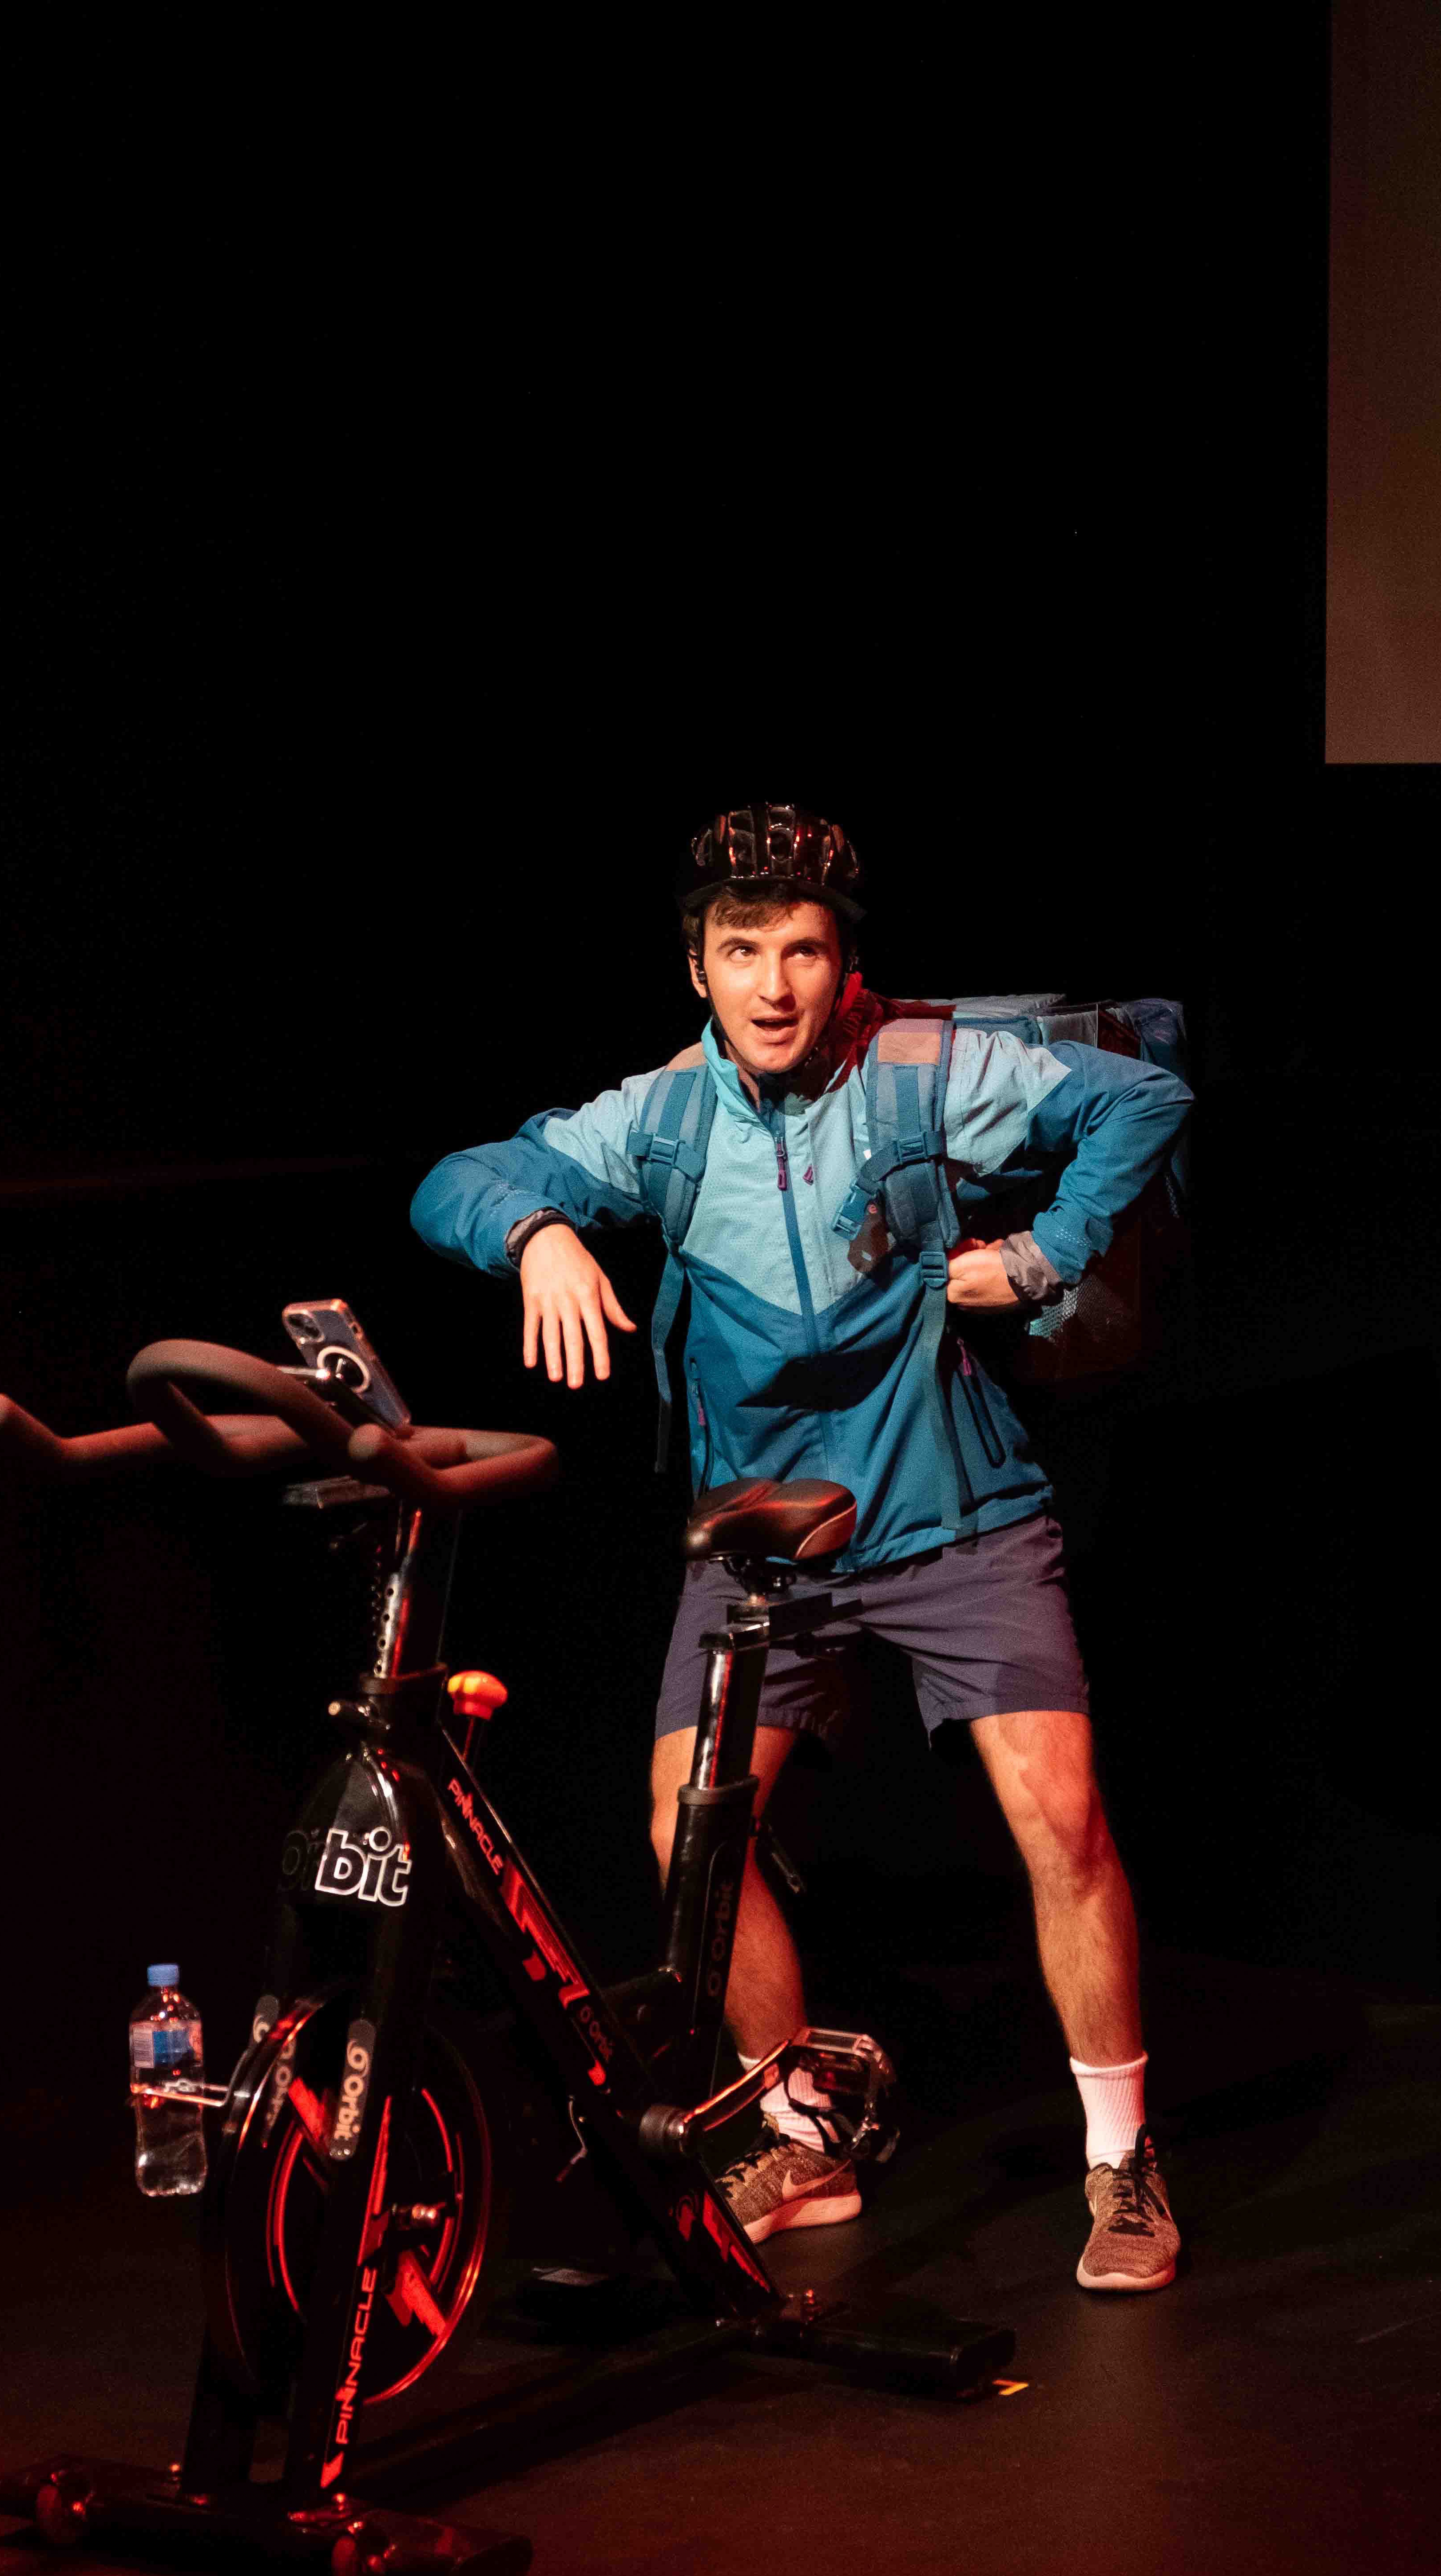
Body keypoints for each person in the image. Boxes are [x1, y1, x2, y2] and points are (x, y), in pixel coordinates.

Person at [410, 802, 1194, 2292]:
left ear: (846, 967)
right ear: (695, 967)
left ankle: (1122, 2161)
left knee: (1063, 1818)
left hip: (954, 1515)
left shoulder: (923, 1074)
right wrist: (539, 1235)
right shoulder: (662, 1118)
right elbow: (452, 1179)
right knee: (688, 1834)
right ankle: (799, 2136)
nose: (773, 986)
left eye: (805, 952)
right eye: (741, 951)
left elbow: (1141, 1100)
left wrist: (1044, 1255)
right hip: (765, 1544)